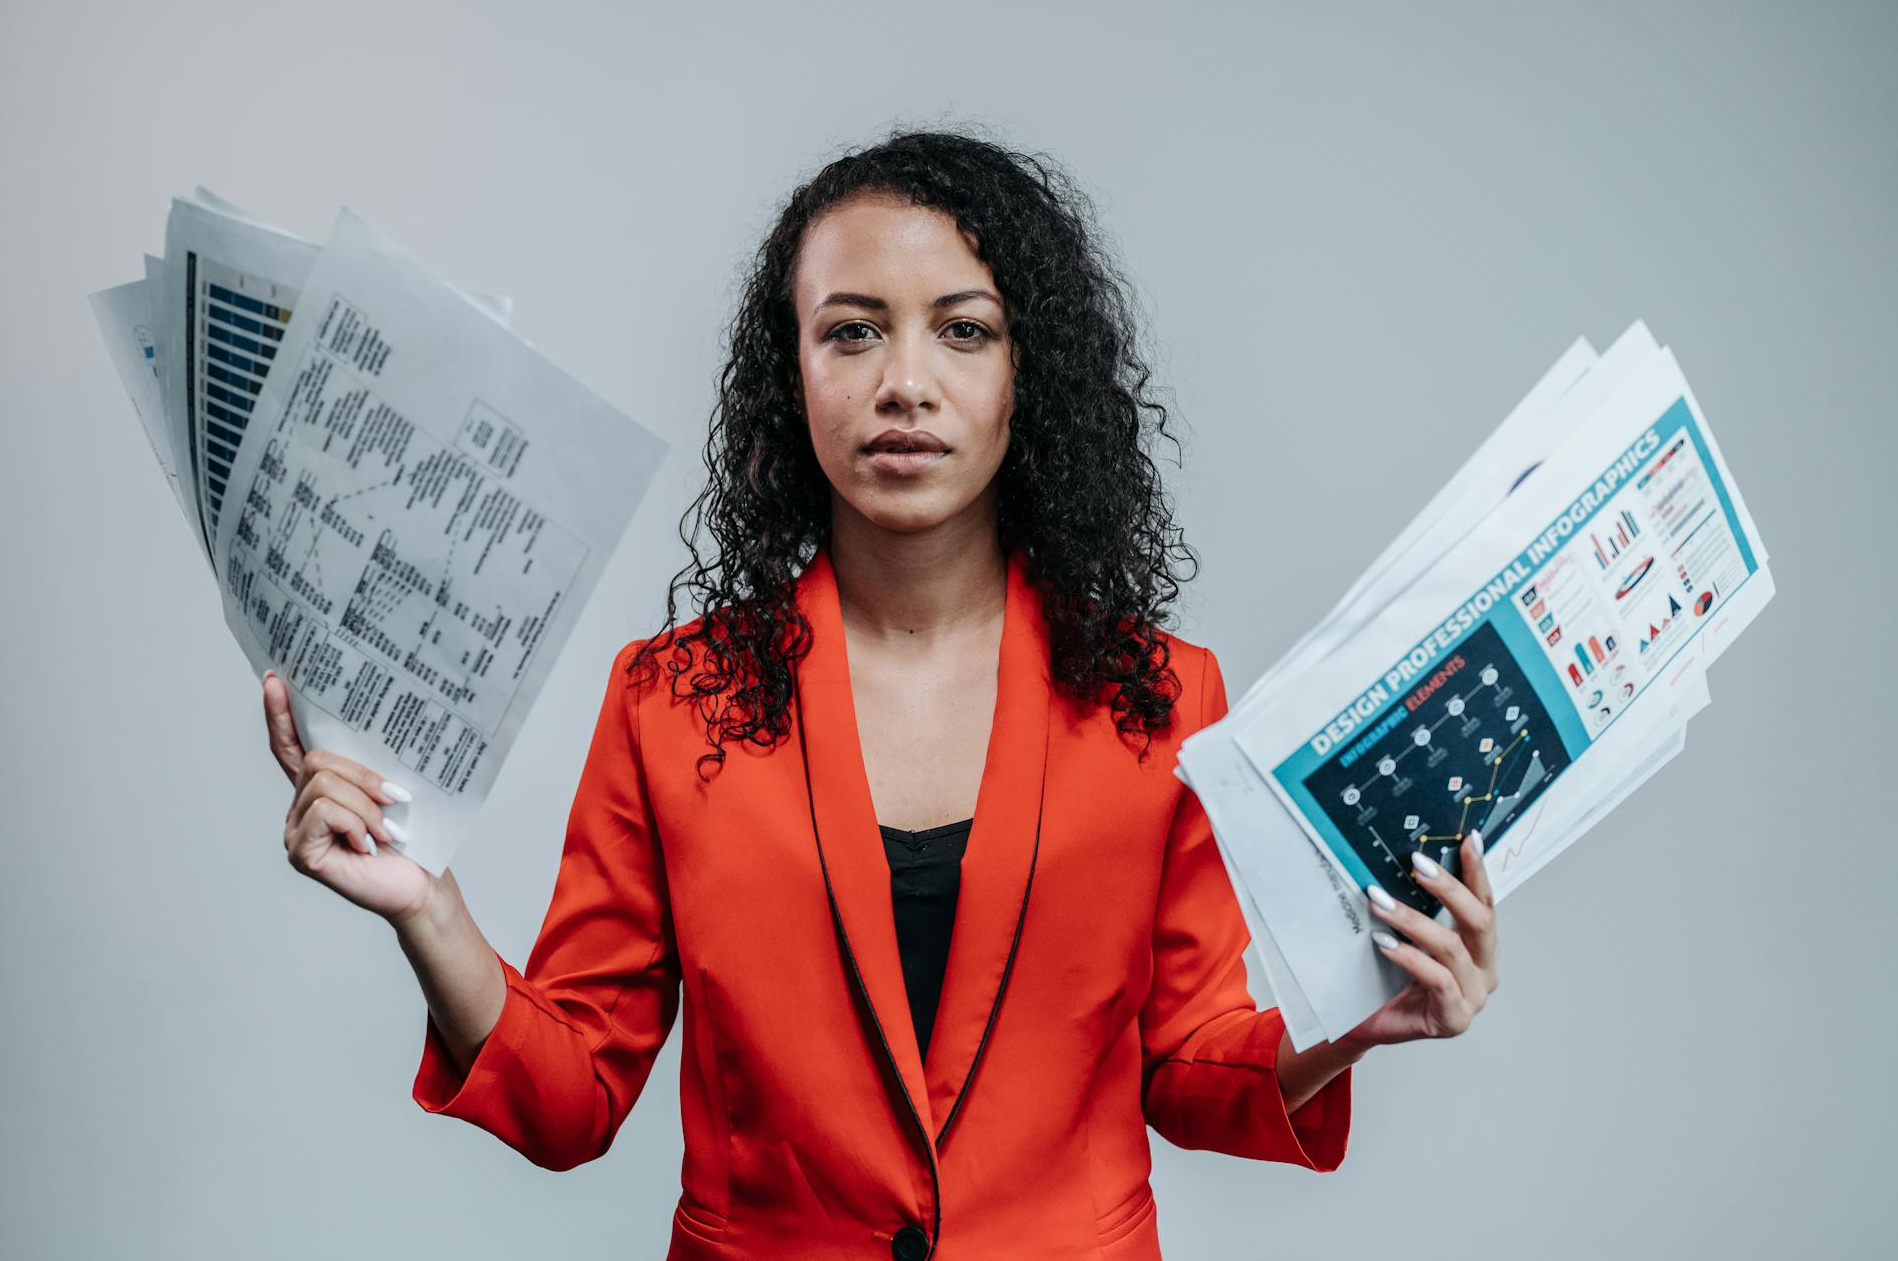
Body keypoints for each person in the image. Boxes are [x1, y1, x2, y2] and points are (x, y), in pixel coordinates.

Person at [262, 127, 1501, 1260]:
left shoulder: (1162, 700)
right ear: (789, 373)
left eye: (963, 330)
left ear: (1032, 372)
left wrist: (1351, 1021)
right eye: (852, 331)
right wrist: (421, 904)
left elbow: (1188, 1067)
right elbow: (572, 1097)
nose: (904, 382)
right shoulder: (670, 701)